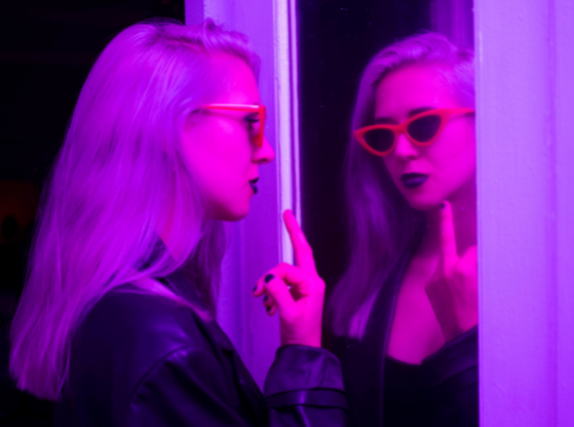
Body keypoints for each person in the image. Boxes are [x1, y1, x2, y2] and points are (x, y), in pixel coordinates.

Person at [10, 19, 347, 426]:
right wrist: (305, 356)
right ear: (171, 129)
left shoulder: (119, 302)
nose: (267, 152)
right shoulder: (164, 347)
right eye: (250, 123)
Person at [328, 32, 478, 427]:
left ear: (483, 122)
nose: (401, 151)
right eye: (383, 135)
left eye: (424, 125)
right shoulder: (373, 280)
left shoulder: (533, 279)